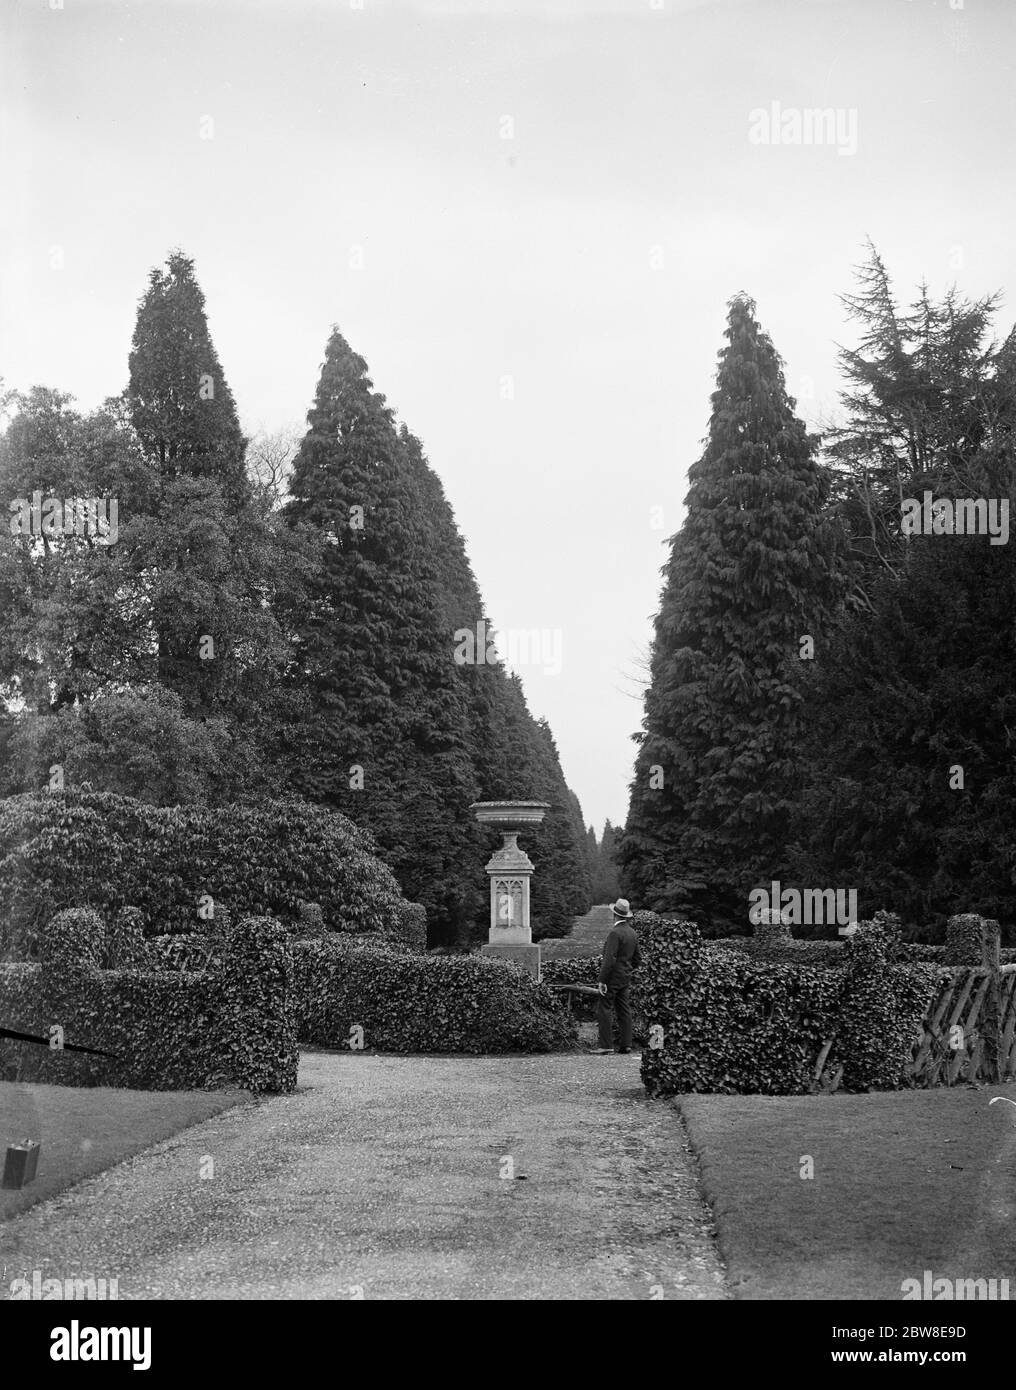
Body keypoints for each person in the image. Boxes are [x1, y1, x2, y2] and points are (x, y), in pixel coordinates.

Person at [593, 898, 641, 1054]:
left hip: (612, 978)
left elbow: (609, 960)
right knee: (624, 1010)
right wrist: (626, 970)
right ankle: (626, 1044)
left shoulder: (615, 933)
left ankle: (606, 1046)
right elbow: (637, 959)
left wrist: (602, 980)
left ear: (614, 915)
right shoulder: (632, 933)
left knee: (604, 1009)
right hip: (625, 978)